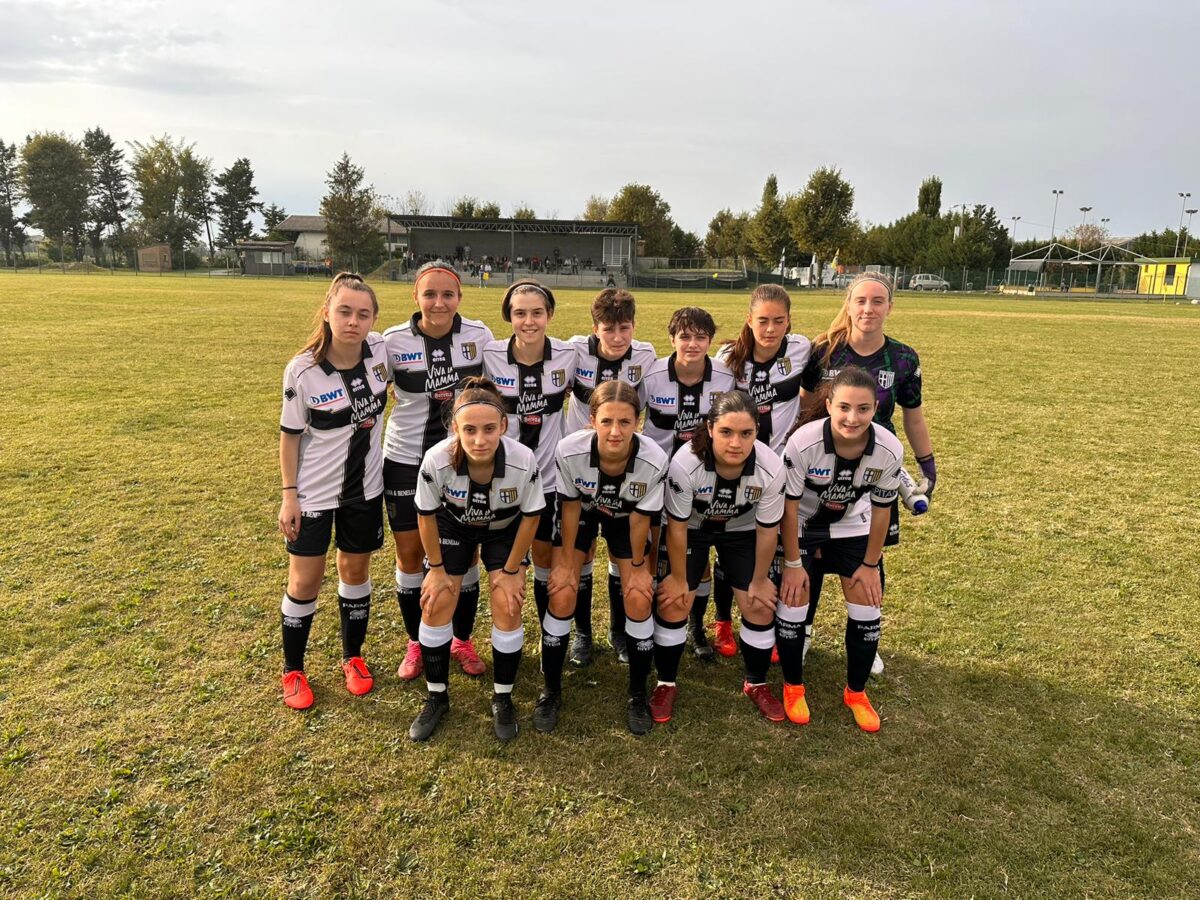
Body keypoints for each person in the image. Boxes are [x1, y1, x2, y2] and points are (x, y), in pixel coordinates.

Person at [799, 273, 936, 675]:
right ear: (849, 303)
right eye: (860, 300)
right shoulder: (823, 351)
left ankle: (865, 635)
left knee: (868, 553)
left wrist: (927, 464)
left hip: (875, 471)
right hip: (822, 467)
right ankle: (802, 630)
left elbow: (913, 417)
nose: (868, 309)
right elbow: (804, 409)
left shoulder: (904, 358)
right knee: (812, 551)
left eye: (878, 301)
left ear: (890, 307)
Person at [277, 273, 391, 710]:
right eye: (344, 311)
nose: (353, 322)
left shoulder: (380, 351)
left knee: (355, 572)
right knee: (305, 580)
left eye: (363, 314)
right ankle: (293, 670)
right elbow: (289, 437)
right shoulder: (302, 370)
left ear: (374, 319)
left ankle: (352, 657)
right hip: (312, 495)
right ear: (327, 312)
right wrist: (289, 495)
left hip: (365, 491)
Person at [407, 378, 544, 742]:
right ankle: (436, 696)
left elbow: (531, 517)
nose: (480, 439)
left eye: (488, 429)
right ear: (455, 427)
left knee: (508, 602)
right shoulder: (437, 459)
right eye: (469, 430)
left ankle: (503, 697)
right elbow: (425, 515)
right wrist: (436, 570)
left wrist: (512, 570)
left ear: (504, 426)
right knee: (436, 600)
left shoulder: (522, 459)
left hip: (504, 529)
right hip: (453, 526)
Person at [382, 261, 494, 684]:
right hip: (405, 459)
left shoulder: (479, 336)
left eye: (448, 294)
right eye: (429, 294)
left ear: (459, 297)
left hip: (460, 462)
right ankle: (416, 641)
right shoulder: (392, 341)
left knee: (465, 554)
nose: (439, 302)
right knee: (411, 554)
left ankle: (461, 639)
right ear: (415, 296)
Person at [779, 366, 903, 732]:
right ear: (830, 404)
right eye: (844, 407)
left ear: (875, 408)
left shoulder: (888, 448)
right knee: (793, 599)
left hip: (853, 526)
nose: (853, 418)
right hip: (804, 524)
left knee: (867, 602)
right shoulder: (804, 442)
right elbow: (788, 509)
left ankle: (856, 693)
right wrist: (792, 563)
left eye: (863, 409)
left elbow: (882, 511)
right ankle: (793, 687)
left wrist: (870, 564)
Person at [541, 381, 669, 735]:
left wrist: (639, 568)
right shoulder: (569, 450)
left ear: (637, 422)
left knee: (639, 596)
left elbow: (641, 519)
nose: (615, 431)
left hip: (627, 517)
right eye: (607, 421)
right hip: (582, 512)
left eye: (625, 422)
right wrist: (566, 563)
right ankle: (550, 691)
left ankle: (637, 695)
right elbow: (568, 507)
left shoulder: (653, 458)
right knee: (562, 591)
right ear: (592, 420)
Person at [657, 392, 786, 723]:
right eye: (726, 432)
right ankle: (665, 683)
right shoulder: (686, 463)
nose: (736, 443)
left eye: (746, 433)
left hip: (741, 531)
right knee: (675, 600)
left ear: (757, 432)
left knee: (759, 604)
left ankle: (756, 683)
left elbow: (768, 531)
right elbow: (677, 527)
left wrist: (760, 580)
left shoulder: (771, 467)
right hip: (693, 529)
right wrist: (678, 578)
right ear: (710, 428)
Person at [710, 285, 812, 657]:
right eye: (763, 320)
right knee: (729, 542)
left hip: (779, 469)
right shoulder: (728, 357)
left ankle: (772, 622)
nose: (770, 329)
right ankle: (722, 621)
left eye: (778, 321)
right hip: (735, 466)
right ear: (749, 320)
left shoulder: (801, 349)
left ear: (789, 321)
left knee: (774, 544)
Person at [565, 289, 657, 665]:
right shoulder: (573, 350)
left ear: (634, 327)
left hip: (624, 468)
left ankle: (619, 631)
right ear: (595, 329)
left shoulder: (646, 355)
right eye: (608, 329)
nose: (617, 337)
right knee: (582, 551)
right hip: (579, 469)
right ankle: (582, 633)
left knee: (624, 554)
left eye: (625, 328)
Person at [482, 280, 577, 634]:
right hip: (504, 479)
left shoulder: (568, 354)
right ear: (509, 316)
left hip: (550, 478)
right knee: (507, 561)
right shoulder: (490, 355)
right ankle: (507, 629)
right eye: (520, 313)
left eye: (537, 313)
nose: (529, 321)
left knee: (545, 556)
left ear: (549, 314)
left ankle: (548, 632)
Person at [641, 307, 735, 659]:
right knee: (656, 552)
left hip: (705, 480)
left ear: (710, 341)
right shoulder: (652, 375)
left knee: (699, 555)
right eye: (684, 336)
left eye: (700, 337)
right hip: (659, 479)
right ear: (672, 339)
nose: (692, 344)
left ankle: (696, 626)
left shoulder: (725, 377)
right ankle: (651, 621)